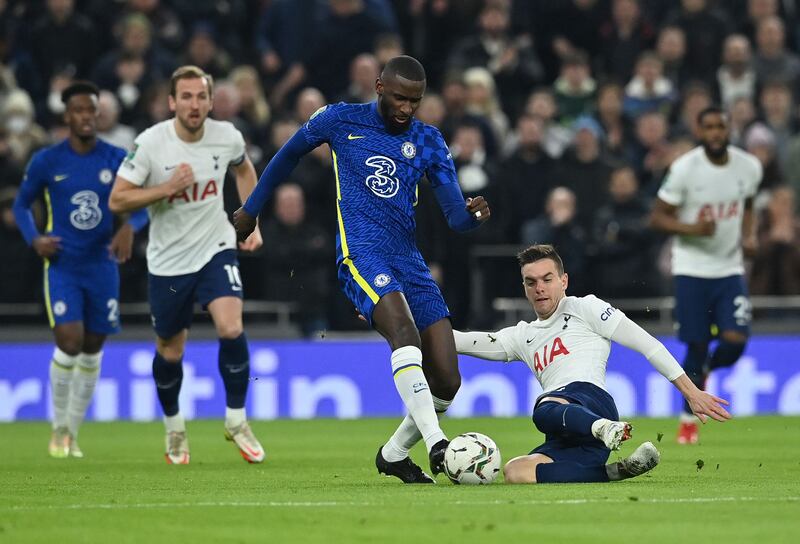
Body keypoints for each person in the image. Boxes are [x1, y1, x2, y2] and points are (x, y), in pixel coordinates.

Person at [234, 55, 491, 483]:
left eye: (416, 101)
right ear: (378, 87)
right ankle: (437, 444)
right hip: (361, 253)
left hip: (408, 259)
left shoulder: (428, 140)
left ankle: (392, 455)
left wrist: (474, 216)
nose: (407, 109)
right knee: (404, 334)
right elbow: (288, 154)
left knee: (447, 378)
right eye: (399, 98)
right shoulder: (338, 119)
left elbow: (455, 217)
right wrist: (252, 209)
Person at [453, 244, 731, 484]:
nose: (539, 288)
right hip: (565, 431)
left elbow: (648, 344)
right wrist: (417, 334)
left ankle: (603, 428)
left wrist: (691, 392)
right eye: (531, 282)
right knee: (516, 472)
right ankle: (611, 472)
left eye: (547, 279)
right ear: (524, 287)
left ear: (564, 281)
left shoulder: (586, 308)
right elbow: (464, 342)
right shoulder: (522, 335)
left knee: (542, 407)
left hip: (591, 402)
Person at [108, 65, 265, 465]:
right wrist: (164, 189)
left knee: (231, 326)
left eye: (201, 97)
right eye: (187, 97)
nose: (194, 105)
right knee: (170, 350)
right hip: (168, 263)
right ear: (172, 102)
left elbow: (245, 169)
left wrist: (251, 220)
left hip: (216, 248)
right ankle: (175, 428)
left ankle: (236, 419)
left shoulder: (227, 136)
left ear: (211, 102)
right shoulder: (150, 144)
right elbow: (117, 200)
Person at [12, 81, 147, 458]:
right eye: (79, 111)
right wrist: (34, 239)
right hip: (63, 264)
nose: (87, 117)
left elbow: (142, 205)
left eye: (92, 109)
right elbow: (22, 205)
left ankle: (72, 431)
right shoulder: (47, 160)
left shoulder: (116, 158)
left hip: (103, 264)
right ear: (66, 115)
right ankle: (58, 429)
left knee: (92, 347)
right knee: (68, 341)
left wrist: (128, 228)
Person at [649, 106, 761, 444]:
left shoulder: (749, 167)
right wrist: (692, 228)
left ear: (729, 130)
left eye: (720, 127)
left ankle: (707, 371)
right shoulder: (684, 169)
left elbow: (749, 204)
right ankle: (688, 420)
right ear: (700, 131)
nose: (715, 133)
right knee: (696, 344)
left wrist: (750, 234)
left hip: (729, 268)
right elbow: (657, 218)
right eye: (708, 127)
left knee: (736, 339)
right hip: (692, 270)